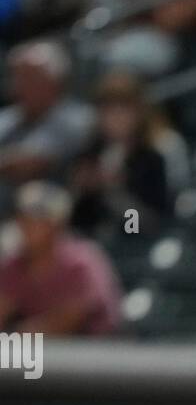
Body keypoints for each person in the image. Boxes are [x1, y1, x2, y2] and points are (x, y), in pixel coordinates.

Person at [0, 180, 121, 334]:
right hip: (43, 351)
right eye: (23, 219)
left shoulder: (82, 261)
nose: (26, 227)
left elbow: (66, 322)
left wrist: (15, 337)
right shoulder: (14, 264)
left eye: (37, 220)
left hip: (101, 350)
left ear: (58, 224)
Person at [71, 72, 172, 237]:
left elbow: (144, 226)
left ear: (140, 112)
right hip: (90, 247)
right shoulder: (87, 155)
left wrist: (115, 193)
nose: (116, 116)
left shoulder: (150, 160)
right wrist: (79, 191)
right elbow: (74, 221)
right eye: (108, 108)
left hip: (134, 247)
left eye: (123, 108)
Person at [0, 39, 93, 191]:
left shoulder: (79, 119)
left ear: (55, 82)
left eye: (28, 77)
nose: (17, 86)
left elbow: (28, 163)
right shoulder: (7, 117)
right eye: (16, 77)